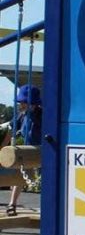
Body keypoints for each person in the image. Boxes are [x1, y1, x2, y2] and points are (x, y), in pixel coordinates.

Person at [3, 85, 42, 216]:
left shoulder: (42, 115)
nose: (21, 105)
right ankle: (12, 204)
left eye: (23, 102)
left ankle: (49, 205)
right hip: (27, 151)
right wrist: (3, 147)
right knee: (20, 177)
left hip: (42, 151)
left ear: (32, 103)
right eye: (20, 102)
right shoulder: (22, 116)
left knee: (48, 178)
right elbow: (11, 129)